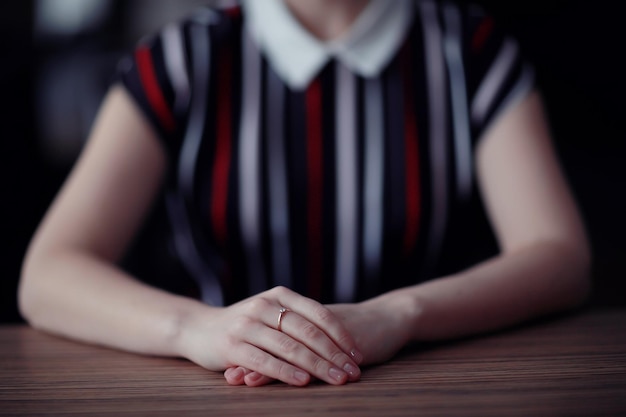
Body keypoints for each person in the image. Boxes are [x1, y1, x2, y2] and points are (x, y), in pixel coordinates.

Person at [19, 0, 590, 387]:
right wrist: (199, 329)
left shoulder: (470, 51)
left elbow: (559, 256)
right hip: (221, 389)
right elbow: (48, 274)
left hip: (420, 384)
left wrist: (399, 315)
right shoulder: (180, 60)